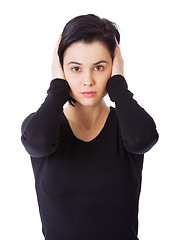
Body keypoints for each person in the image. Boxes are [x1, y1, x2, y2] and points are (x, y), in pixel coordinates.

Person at [21, 14, 159, 240]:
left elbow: (142, 139)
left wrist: (119, 87)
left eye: (99, 67)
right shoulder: (41, 127)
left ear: (114, 66)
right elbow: (39, 142)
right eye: (75, 68)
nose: (88, 80)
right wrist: (57, 87)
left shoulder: (126, 126)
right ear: (60, 68)